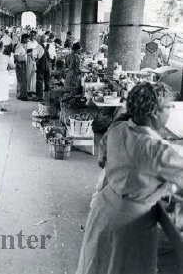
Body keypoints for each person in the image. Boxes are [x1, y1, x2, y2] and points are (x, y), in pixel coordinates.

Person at [76, 81, 183, 274]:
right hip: (131, 222)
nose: (170, 111)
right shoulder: (159, 151)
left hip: (103, 210)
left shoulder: (116, 129)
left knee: (97, 263)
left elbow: (103, 161)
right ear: (154, 112)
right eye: (169, 107)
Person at [26, 31, 43, 97]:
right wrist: (33, 51)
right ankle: (28, 91)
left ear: (35, 36)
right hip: (29, 59)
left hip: (35, 60)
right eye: (31, 35)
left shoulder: (36, 43)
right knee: (28, 75)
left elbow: (37, 51)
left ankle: (33, 90)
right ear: (30, 35)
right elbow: (27, 51)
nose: (32, 36)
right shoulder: (28, 43)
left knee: (34, 75)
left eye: (34, 35)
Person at [35, 36, 52, 101]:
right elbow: (53, 57)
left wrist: (36, 60)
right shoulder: (50, 46)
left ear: (40, 40)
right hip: (48, 66)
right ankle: (47, 97)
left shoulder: (38, 46)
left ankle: (39, 97)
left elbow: (33, 55)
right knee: (47, 81)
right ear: (46, 40)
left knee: (39, 80)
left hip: (40, 66)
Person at [14, 34, 29, 101]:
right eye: (27, 39)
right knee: (22, 80)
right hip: (21, 63)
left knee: (22, 80)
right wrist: (19, 64)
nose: (28, 40)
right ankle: (22, 96)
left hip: (23, 63)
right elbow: (16, 56)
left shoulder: (23, 46)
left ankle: (21, 94)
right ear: (24, 39)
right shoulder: (19, 46)